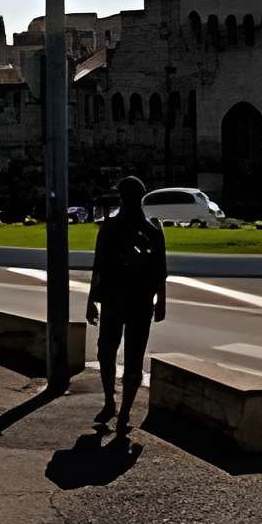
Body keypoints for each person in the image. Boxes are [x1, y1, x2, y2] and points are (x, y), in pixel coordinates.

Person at [86, 175, 170, 429]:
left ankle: (113, 404)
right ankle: (120, 409)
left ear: (122, 198)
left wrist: (91, 300)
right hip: (136, 302)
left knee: (108, 352)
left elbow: (98, 268)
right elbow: (161, 272)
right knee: (128, 355)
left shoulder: (113, 228)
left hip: (119, 300)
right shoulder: (150, 230)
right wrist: (162, 302)